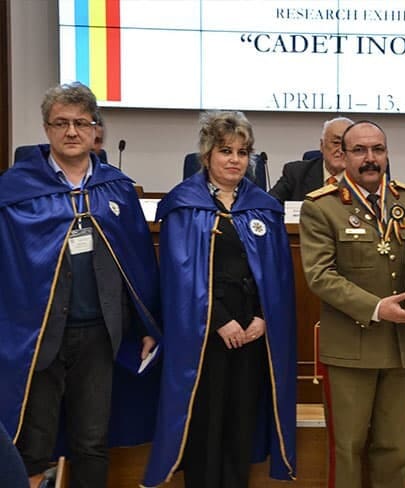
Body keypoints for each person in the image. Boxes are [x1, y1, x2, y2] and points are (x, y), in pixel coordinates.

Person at [0, 82, 160, 488]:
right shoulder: (16, 189)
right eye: (61, 123)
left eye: (81, 123)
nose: (71, 131)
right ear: (46, 129)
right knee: (32, 442)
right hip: (36, 335)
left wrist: (146, 324)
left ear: (95, 129)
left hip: (99, 336)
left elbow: (138, 262)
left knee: (92, 441)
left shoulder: (116, 187)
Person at [143, 111, 297, 487]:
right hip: (204, 334)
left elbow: (276, 274)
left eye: (243, 152)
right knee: (206, 422)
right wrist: (219, 319)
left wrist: (261, 317)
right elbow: (180, 276)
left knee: (241, 419)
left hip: (251, 332)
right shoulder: (184, 204)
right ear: (207, 154)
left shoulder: (264, 207)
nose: (234, 160)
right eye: (225, 151)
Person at [299, 120, 405, 488]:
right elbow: (320, 276)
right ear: (342, 156)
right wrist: (376, 308)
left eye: (377, 150)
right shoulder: (321, 206)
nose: (370, 158)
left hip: (400, 348)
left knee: (395, 450)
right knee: (348, 450)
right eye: (359, 150)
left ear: (386, 154)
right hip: (350, 348)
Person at [269, 116, 353, 202]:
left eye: (347, 144)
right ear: (322, 145)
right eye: (336, 142)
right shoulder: (296, 173)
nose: (341, 150)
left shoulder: (360, 177)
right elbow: (269, 204)